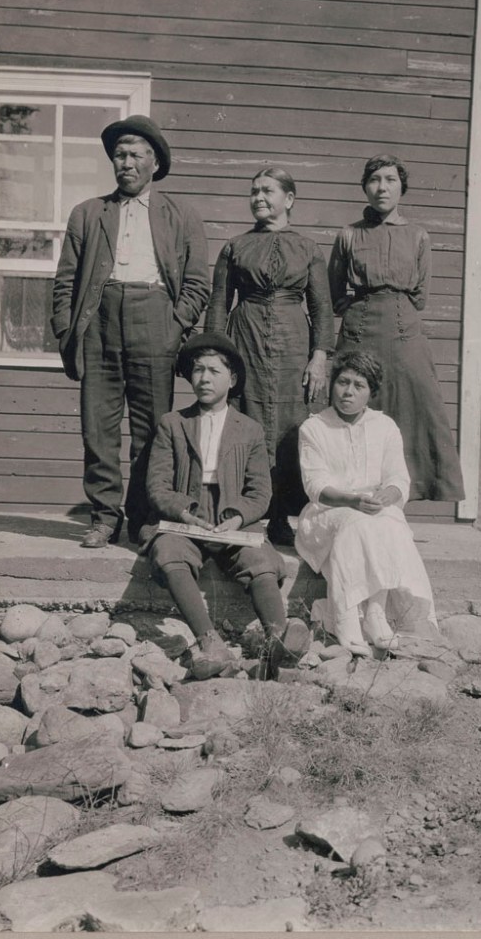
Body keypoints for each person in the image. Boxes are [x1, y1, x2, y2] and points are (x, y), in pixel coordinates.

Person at [52, 115, 210, 548]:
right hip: (98, 323)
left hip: (155, 320)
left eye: (136, 155)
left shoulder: (181, 214)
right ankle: (104, 517)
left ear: (154, 163)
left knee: (151, 429)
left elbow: (198, 282)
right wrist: (68, 331)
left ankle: (143, 517)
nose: (126, 162)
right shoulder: (87, 214)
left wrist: (175, 326)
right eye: (119, 155)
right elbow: (65, 281)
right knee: (97, 429)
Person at [138, 332, 310, 680]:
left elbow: (260, 493)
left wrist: (238, 517)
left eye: (214, 371)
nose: (204, 378)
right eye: (198, 370)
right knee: (169, 551)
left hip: (232, 517)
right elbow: (157, 486)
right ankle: (209, 643)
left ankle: (277, 640)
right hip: (186, 516)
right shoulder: (173, 424)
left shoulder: (249, 430)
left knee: (259, 558)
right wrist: (185, 512)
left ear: (232, 379)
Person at [204, 167, 335, 546]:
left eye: (267, 191)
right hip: (244, 339)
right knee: (245, 421)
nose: (258, 198)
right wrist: (215, 354)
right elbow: (217, 305)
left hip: (294, 343)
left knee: (290, 426)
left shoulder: (309, 249)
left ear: (289, 200)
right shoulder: (234, 247)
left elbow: (322, 309)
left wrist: (320, 356)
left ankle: (280, 516)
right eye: (254, 191)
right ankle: (242, 511)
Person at [328, 153, 465, 502]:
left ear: (402, 186)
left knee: (417, 406)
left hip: (405, 332)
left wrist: (396, 307)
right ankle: (350, 497)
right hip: (359, 332)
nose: (382, 187)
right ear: (365, 188)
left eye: (390, 179)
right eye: (374, 180)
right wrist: (359, 308)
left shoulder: (418, 236)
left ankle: (398, 497)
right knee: (352, 404)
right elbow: (335, 292)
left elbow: (420, 296)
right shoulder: (348, 235)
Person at [295, 350, 437, 657]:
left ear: (371, 392)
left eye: (358, 385)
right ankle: (345, 616)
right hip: (326, 513)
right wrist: (352, 500)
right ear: (332, 385)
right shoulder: (314, 428)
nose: (348, 392)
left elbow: (399, 478)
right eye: (342, 382)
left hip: (371, 508)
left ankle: (374, 614)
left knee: (390, 522)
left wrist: (387, 495)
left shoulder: (384, 427)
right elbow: (315, 486)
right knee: (355, 523)